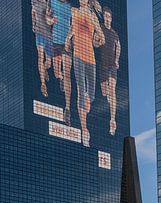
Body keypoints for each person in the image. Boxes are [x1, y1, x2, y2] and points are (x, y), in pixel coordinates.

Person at [65, 0, 103, 147]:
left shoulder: (93, 16)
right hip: (77, 56)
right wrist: (67, 39)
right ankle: (84, 130)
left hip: (90, 58)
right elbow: (72, 28)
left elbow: (101, 37)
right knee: (81, 89)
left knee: (91, 95)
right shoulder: (74, 11)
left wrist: (97, 40)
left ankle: (88, 97)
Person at [48, 0, 73, 124]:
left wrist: (69, 38)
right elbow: (47, 18)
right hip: (55, 43)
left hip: (66, 45)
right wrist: (50, 20)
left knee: (67, 73)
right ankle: (60, 77)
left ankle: (67, 109)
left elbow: (73, 24)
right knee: (57, 72)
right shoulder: (52, 2)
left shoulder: (70, 7)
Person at [98, 6, 120, 135]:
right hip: (103, 65)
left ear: (111, 18)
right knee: (104, 92)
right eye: (105, 16)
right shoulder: (100, 28)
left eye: (109, 16)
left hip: (112, 65)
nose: (107, 18)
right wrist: (98, 41)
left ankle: (112, 120)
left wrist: (117, 60)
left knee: (112, 91)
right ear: (104, 17)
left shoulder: (114, 33)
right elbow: (95, 42)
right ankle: (107, 95)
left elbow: (119, 46)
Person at [32, 0, 53, 97]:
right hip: (39, 33)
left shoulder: (49, 3)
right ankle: (43, 84)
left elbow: (51, 18)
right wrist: (33, 23)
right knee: (40, 57)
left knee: (49, 63)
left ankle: (43, 69)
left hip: (49, 35)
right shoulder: (34, 2)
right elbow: (33, 12)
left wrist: (50, 16)